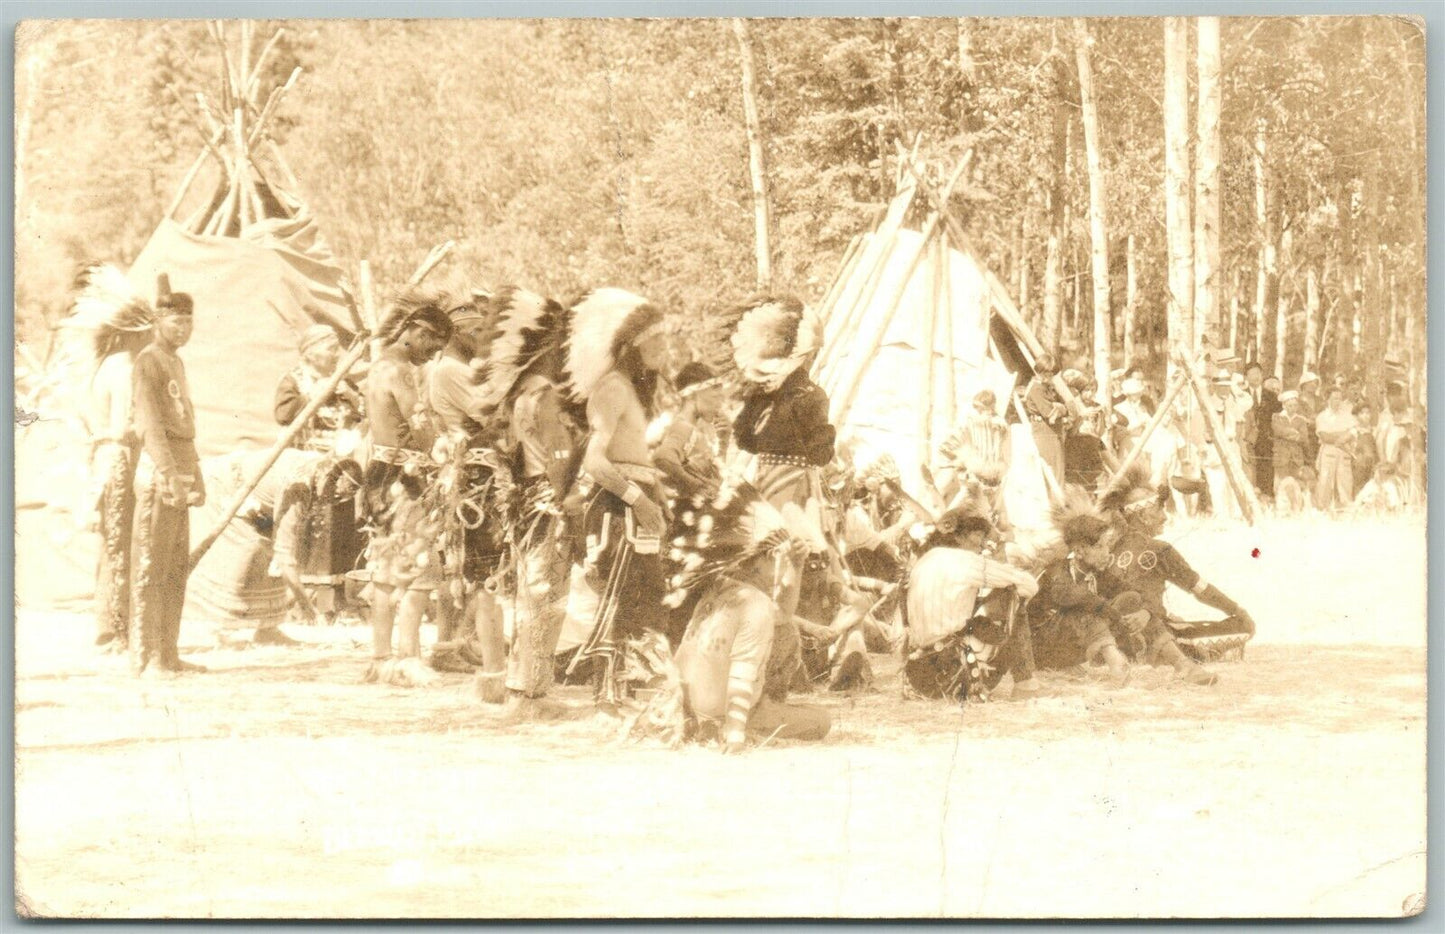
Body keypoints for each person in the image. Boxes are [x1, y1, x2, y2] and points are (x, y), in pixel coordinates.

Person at [565, 288, 672, 708]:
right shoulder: (611, 387)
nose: (664, 350)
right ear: (632, 346)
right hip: (617, 508)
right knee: (619, 598)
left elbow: (638, 456)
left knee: (645, 597)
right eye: (657, 341)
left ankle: (636, 692)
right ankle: (608, 696)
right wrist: (638, 500)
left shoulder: (633, 390)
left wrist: (656, 497)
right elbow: (594, 461)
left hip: (635, 503)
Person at [665, 481, 831, 751]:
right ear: (764, 560)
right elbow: (743, 671)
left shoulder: (718, 587)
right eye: (779, 559)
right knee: (821, 721)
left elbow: (785, 613)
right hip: (721, 715)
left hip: (684, 706)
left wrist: (796, 567)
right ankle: (731, 726)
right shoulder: (757, 604)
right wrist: (735, 736)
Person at [479, 287, 582, 717]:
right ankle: (531, 697)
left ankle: (523, 688)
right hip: (548, 501)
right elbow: (559, 457)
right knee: (545, 598)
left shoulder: (520, 395)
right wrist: (570, 503)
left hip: (526, 502)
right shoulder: (547, 395)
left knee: (528, 597)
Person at [361, 289, 452, 687]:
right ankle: (407, 658)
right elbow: (421, 427)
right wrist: (444, 449)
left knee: (386, 571)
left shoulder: (381, 366)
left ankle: (382, 658)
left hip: (382, 477)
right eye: (433, 343)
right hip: (403, 481)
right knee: (419, 571)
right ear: (414, 331)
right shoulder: (397, 372)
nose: (433, 354)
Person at [424, 295, 512, 700]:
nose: (482, 339)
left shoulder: (454, 369)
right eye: (475, 332)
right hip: (474, 473)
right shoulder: (452, 371)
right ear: (457, 333)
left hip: (472, 470)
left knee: (469, 567)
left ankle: (459, 644)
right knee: (478, 566)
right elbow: (491, 414)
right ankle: (467, 652)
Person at [72, 264, 155, 653]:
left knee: (112, 541)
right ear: (136, 333)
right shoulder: (123, 368)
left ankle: (110, 625)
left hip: (106, 458)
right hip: (120, 457)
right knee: (120, 542)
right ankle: (114, 629)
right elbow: (125, 425)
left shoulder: (106, 366)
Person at [128, 274, 207, 677]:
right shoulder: (148, 361)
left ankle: (170, 652)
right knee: (152, 566)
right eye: (176, 322)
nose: (184, 329)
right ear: (159, 320)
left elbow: (184, 421)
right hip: (161, 474)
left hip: (182, 469)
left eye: (189, 322)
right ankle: (148, 657)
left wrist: (196, 473)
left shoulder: (176, 361)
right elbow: (151, 425)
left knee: (176, 566)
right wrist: (170, 473)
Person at [1101, 466, 1253, 669]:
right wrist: (1236, 609)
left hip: (1112, 636)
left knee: (1174, 620)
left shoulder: (1109, 548)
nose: (1165, 517)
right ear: (1143, 516)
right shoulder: (1159, 549)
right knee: (1245, 627)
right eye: (1159, 509)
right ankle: (1180, 652)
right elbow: (1200, 589)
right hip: (1153, 632)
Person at [901, 507, 1040, 703]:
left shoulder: (925, 560)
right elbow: (1029, 585)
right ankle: (1026, 684)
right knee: (1014, 598)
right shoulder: (968, 562)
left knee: (976, 615)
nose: (982, 542)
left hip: (919, 675)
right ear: (958, 538)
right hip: (955, 671)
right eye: (977, 535)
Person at [274, 324, 365, 452]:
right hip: (304, 454)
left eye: (337, 349)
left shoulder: (341, 381)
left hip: (342, 455)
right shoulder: (293, 380)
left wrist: (351, 395)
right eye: (331, 349)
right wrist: (311, 396)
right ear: (311, 355)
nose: (337, 355)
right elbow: (283, 416)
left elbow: (366, 415)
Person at [652, 361, 725, 503]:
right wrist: (696, 486)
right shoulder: (684, 427)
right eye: (715, 397)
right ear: (691, 396)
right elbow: (662, 457)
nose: (719, 404)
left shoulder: (694, 428)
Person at [1313, 387, 1357, 513]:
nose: (1338, 401)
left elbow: (1353, 432)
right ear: (1327, 399)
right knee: (1325, 482)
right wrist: (1344, 434)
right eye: (1334, 398)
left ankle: (1346, 511)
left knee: (1345, 482)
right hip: (1329, 452)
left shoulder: (1347, 416)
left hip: (1344, 452)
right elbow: (1325, 437)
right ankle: (1322, 510)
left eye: (1340, 398)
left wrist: (1340, 436)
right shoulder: (1322, 417)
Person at [1243, 362, 1280, 499]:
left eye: (1258, 373)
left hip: (1266, 442)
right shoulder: (1241, 394)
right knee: (1249, 472)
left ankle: (1267, 501)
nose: (1256, 377)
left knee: (1266, 472)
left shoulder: (1270, 395)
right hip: (1247, 442)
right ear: (1246, 377)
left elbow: (1277, 418)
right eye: (1252, 374)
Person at [1271, 390, 1311, 513]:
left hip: (1296, 458)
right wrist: (1293, 432)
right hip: (1281, 457)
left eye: (1295, 405)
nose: (1293, 408)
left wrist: (1287, 434)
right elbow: (1278, 431)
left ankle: (1296, 507)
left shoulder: (1300, 419)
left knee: (1297, 482)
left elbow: (1303, 437)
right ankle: (1281, 508)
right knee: (1280, 482)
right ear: (1284, 405)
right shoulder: (1277, 417)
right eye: (1290, 405)